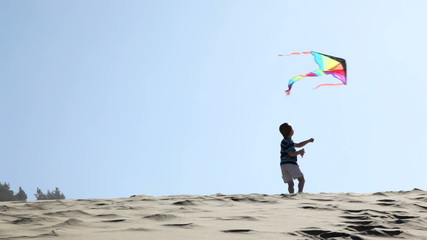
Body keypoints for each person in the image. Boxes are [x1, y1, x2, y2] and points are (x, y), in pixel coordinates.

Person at [279, 123, 314, 194]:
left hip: (283, 165)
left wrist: (308, 141)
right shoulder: (288, 142)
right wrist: (299, 152)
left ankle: (291, 195)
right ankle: (300, 193)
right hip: (290, 164)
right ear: (291, 131)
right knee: (301, 179)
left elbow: (298, 145)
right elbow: (291, 153)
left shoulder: (285, 141)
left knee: (290, 183)